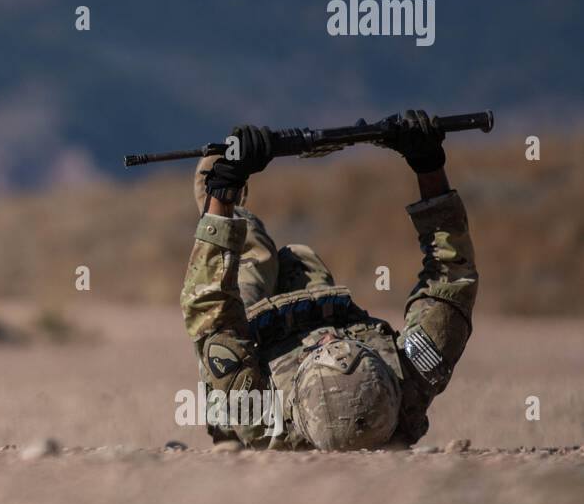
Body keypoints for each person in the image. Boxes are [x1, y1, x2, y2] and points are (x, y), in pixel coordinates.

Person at [180, 111, 478, 449]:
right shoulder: (411, 378)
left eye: (320, 353)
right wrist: (428, 165)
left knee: (253, 252)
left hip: (259, 338)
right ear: (388, 384)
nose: (327, 342)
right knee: (300, 259)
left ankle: (224, 435)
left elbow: (210, 308)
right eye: (350, 349)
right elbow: (451, 276)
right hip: (321, 305)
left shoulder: (260, 412)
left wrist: (224, 188)